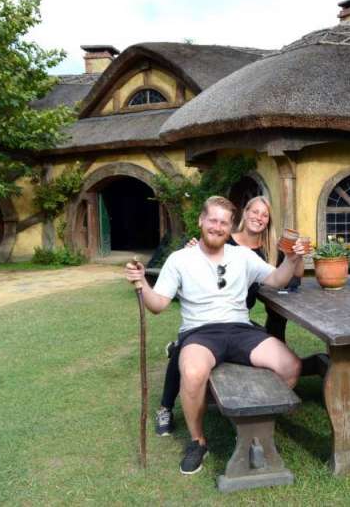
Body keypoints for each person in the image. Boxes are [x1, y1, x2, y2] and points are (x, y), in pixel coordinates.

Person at [124, 196, 304, 476]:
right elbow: (158, 305)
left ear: (231, 226)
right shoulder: (180, 259)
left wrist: (292, 259)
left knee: (290, 366)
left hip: (239, 328)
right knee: (192, 371)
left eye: (224, 222)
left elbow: (277, 279)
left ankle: (256, 427)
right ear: (201, 220)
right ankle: (198, 442)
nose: (218, 227)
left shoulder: (243, 256)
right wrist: (142, 284)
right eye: (213, 220)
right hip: (201, 331)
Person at [155, 196, 301, 436]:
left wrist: (292, 258)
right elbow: (199, 253)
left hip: (239, 321)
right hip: (202, 324)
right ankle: (167, 407)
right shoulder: (218, 239)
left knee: (287, 360)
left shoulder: (261, 250)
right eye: (254, 211)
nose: (259, 217)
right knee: (185, 356)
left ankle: (256, 417)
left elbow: (282, 278)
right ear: (244, 214)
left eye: (264, 215)